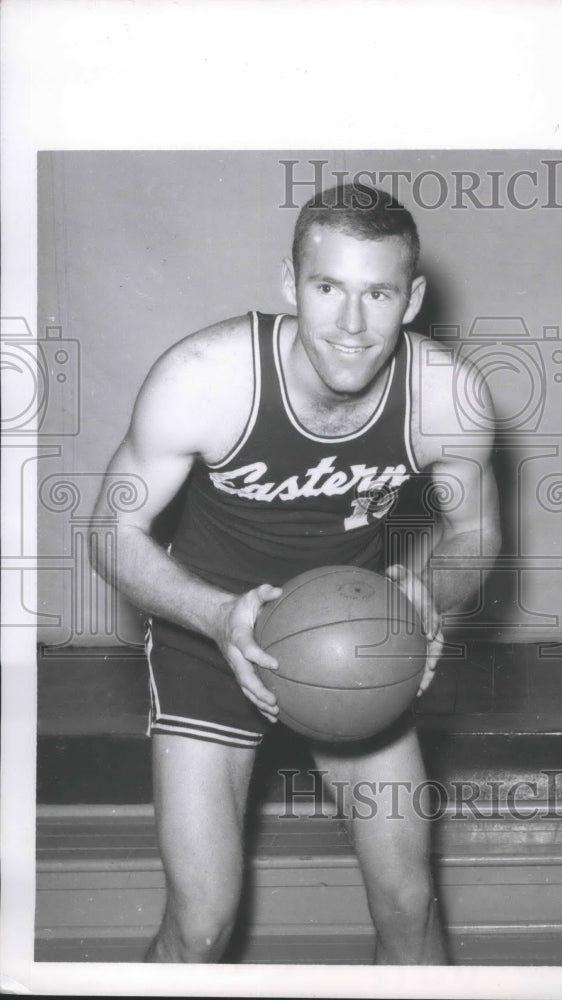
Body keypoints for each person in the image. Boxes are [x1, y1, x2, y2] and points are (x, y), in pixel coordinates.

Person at [91, 182, 501, 965]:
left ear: (411, 298)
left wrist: (426, 597)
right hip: (207, 642)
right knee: (203, 920)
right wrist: (216, 617)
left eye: (377, 293)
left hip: (352, 649)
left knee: (409, 903)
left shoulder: (448, 396)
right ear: (290, 286)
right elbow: (113, 533)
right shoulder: (206, 378)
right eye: (327, 289)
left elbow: (475, 532)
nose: (351, 325)